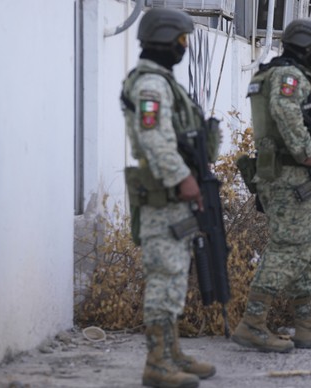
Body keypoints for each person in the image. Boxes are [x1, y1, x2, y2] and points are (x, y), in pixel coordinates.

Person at [231, 19, 311, 353]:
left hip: (294, 176)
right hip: (287, 175)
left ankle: (306, 325)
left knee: (306, 249)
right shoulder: (287, 75)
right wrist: (308, 153)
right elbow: (285, 111)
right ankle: (252, 323)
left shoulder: (283, 73)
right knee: (286, 248)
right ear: (304, 47)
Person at [121, 8, 217, 388]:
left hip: (174, 194)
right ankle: (157, 363)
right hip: (163, 196)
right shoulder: (150, 85)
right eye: (181, 41)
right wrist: (182, 179)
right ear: (164, 39)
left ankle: (171, 353)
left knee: (176, 274)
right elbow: (154, 138)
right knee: (164, 277)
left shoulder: (162, 81)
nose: (184, 48)